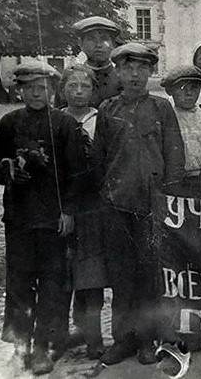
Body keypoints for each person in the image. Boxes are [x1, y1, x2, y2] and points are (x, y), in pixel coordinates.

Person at [91, 43, 186, 366]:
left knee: (149, 275)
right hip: (116, 205)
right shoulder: (107, 109)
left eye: (142, 68)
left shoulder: (161, 108)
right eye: (128, 68)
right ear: (117, 71)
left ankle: (148, 340)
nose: (135, 74)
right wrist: (106, 194)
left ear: (150, 72)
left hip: (152, 206)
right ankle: (123, 340)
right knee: (121, 276)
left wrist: (168, 199)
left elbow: (175, 156)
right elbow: (99, 159)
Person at [0, 61, 86, 374]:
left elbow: (76, 173)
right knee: (19, 283)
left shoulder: (64, 124)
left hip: (53, 220)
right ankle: (21, 347)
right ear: (19, 90)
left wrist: (69, 211)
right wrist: (8, 170)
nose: (36, 93)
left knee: (52, 284)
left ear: (52, 90)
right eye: (30, 87)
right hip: (19, 218)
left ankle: (45, 346)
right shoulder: (8, 123)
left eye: (43, 87)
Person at [59, 64, 108, 360]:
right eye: (72, 86)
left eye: (85, 87)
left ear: (93, 90)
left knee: (92, 274)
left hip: (93, 206)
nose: (79, 92)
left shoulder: (101, 120)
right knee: (63, 272)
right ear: (63, 90)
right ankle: (62, 333)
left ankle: (94, 335)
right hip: (63, 206)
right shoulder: (56, 120)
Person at [61, 16, 124, 106]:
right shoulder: (69, 79)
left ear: (113, 44)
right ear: (80, 43)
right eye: (91, 39)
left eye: (104, 39)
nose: (98, 45)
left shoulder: (123, 79)